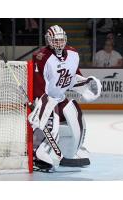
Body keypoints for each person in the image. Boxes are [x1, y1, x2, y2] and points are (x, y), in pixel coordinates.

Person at [28, 25, 102, 171]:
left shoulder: (73, 54)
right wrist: (42, 105)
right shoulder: (41, 56)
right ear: (48, 40)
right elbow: (39, 85)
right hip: (47, 99)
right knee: (49, 126)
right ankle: (37, 155)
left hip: (61, 98)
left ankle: (73, 150)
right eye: (55, 40)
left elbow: (72, 79)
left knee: (78, 119)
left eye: (61, 40)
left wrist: (86, 83)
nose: (58, 43)